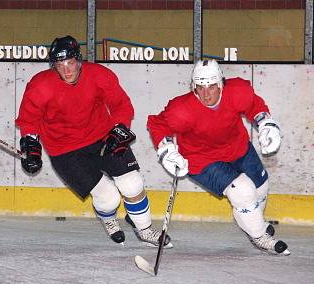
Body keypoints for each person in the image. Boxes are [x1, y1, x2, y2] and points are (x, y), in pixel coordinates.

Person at [15, 35, 172, 248]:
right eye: (60, 65)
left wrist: (119, 128)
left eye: (70, 63)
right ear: (54, 65)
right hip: (65, 150)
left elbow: (121, 105)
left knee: (132, 183)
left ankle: (144, 230)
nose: (67, 70)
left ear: (79, 60)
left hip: (103, 137)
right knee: (109, 198)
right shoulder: (40, 85)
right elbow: (28, 120)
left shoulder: (99, 75)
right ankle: (108, 218)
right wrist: (31, 147)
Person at [147, 59, 290, 255]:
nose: (206, 94)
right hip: (202, 158)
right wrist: (166, 150)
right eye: (200, 87)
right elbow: (158, 125)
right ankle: (259, 237)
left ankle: (256, 223)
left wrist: (265, 122)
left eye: (211, 86)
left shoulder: (237, 91)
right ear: (193, 86)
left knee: (261, 186)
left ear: (221, 84)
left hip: (237, 147)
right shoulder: (182, 110)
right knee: (242, 191)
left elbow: (254, 105)